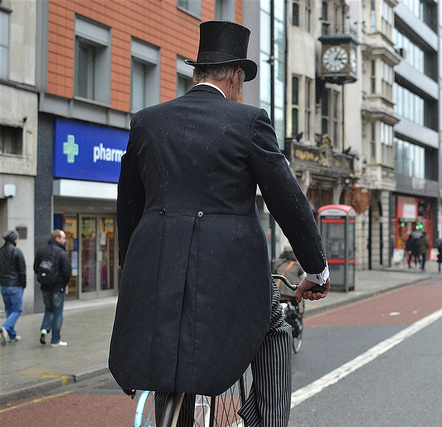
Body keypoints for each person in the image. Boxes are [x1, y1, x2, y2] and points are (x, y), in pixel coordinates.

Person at [109, 21, 330, 426]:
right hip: (229, 273)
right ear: (234, 77)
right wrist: (315, 269)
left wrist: (131, 266)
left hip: (155, 271)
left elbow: (128, 202)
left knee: (165, 352)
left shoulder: (146, 121)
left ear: (197, 74)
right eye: (241, 83)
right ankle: (268, 420)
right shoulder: (248, 121)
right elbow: (289, 201)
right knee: (276, 325)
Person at [34, 229, 71, 347]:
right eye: (63, 238)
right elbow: (66, 271)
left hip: (45, 287)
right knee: (57, 313)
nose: (65, 240)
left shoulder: (41, 250)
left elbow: (36, 267)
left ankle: (44, 329)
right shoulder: (61, 253)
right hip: (57, 288)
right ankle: (55, 340)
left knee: (48, 309)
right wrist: (63, 284)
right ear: (57, 238)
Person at [0, 230, 27, 345]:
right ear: (14, 239)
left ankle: (11, 335)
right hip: (15, 285)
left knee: (9, 310)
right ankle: (5, 327)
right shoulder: (17, 252)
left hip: (4, 285)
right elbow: (22, 270)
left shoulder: (0, 251)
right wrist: (23, 283)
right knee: (17, 310)